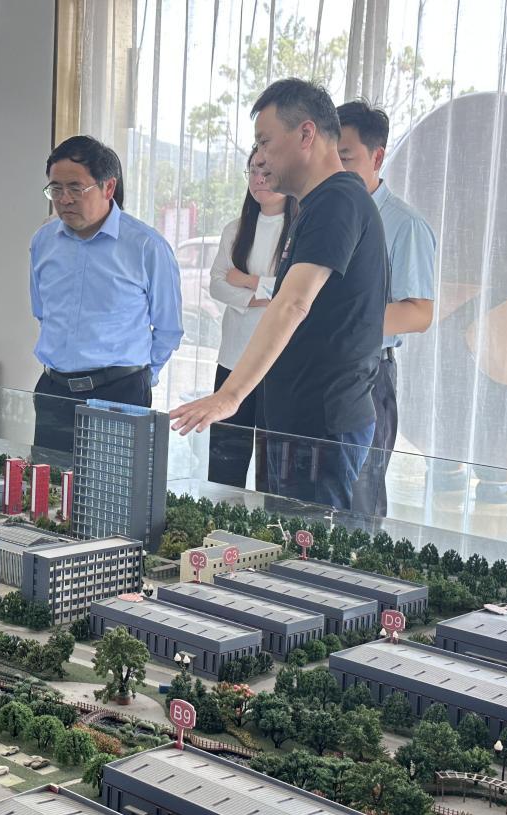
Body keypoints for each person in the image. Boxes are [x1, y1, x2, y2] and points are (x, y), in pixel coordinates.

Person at [171, 79, 388, 512]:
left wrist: (230, 396)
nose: (261, 157)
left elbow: (292, 302)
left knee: (306, 547)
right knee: (282, 538)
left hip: (322, 426)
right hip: (301, 420)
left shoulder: (338, 200)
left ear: (306, 134)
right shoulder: (318, 204)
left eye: (265, 141)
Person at [29, 135, 183, 462]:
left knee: (114, 490)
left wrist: (142, 378)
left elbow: (168, 329)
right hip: (54, 393)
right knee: (49, 487)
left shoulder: (146, 246)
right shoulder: (43, 241)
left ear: (108, 187)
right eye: (56, 188)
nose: (64, 199)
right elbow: (42, 312)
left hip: (119, 396)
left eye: (75, 188)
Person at [336, 100, 436, 518]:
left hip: (367, 373)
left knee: (360, 500)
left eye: (346, 158)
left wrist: (342, 323)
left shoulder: (404, 224)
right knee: (314, 502)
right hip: (318, 372)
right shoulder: (322, 214)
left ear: (377, 158)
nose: (335, 169)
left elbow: (419, 312)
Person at [206, 148, 297, 489]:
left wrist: (246, 280)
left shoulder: (299, 230)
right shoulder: (235, 229)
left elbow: (294, 293)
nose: (259, 179)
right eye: (253, 171)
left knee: (273, 469)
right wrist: (262, 295)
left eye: (267, 170)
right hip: (232, 358)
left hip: (278, 363)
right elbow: (217, 284)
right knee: (225, 462)